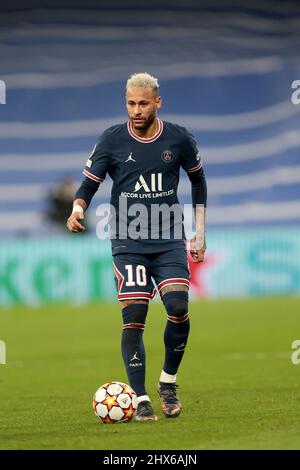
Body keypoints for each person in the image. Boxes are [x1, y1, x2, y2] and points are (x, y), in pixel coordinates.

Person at [67, 73, 207, 421]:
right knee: (135, 316)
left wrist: (200, 230)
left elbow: (198, 179)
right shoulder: (112, 139)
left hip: (168, 239)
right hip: (128, 242)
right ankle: (141, 398)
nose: (136, 110)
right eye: (131, 103)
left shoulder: (178, 138)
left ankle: (168, 382)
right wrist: (77, 207)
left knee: (177, 306)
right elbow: (89, 182)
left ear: (158, 102)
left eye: (143, 103)